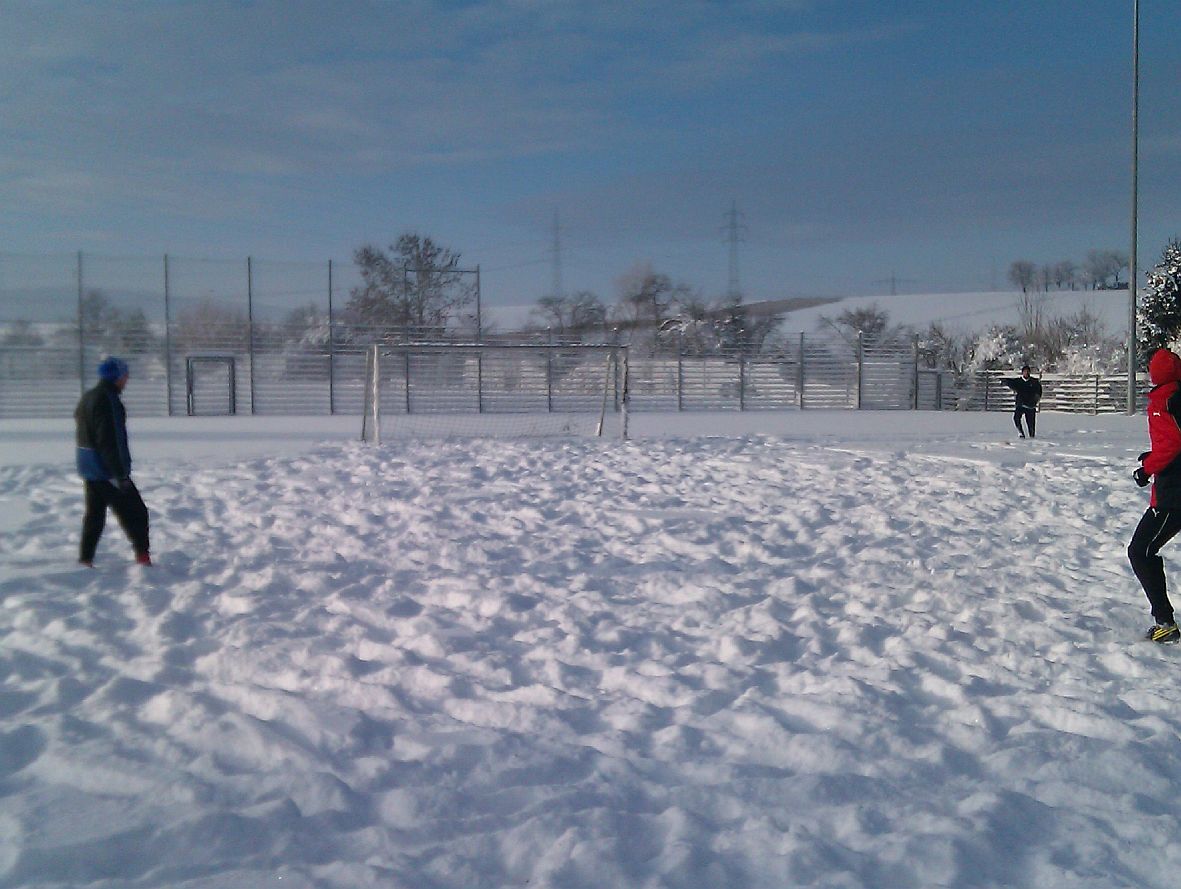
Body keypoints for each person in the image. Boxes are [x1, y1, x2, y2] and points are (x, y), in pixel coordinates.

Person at [75, 356, 151, 567]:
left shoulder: (89, 396)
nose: (127, 379)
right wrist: (120, 474)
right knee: (137, 512)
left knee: (95, 515)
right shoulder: (108, 400)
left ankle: (86, 559)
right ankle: (143, 557)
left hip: (89, 467)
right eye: (125, 375)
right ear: (116, 376)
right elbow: (110, 440)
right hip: (106, 470)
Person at [1129, 348, 1181, 643]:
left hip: (1174, 494)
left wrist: (1146, 469)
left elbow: (1173, 444)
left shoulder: (1164, 400)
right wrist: (1154, 455)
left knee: (1140, 551)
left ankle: (1165, 622)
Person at [1002, 365, 1042, 439]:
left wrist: (1035, 401)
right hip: (1020, 405)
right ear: (1022, 372)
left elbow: (1039, 392)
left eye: (1027, 371)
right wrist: (1004, 381)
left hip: (1030, 406)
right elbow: (1011, 382)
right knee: (1016, 418)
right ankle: (1021, 432)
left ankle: (1032, 437)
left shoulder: (1034, 382)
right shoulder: (1019, 381)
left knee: (1031, 424)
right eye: (1025, 371)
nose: (1026, 373)